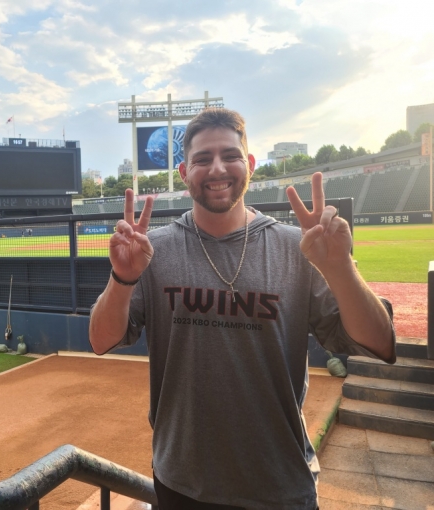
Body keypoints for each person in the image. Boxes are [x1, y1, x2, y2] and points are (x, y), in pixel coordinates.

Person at [88, 108, 395, 510]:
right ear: (184, 172)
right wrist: (123, 278)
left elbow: (380, 344)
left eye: (229, 155)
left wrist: (340, 268)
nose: (216, 168)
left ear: (249, 164)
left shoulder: (297, 247)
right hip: (181, 484)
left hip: (279, 485)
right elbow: (100, 340)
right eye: (202, 159)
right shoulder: (153, 250)